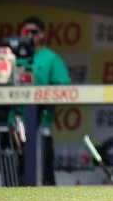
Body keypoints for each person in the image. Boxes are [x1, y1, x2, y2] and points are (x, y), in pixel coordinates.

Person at [13, 16, 71, 185]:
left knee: (45, 176)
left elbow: (63, 88)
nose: (29, 35)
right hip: (14, 125)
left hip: (40, 126)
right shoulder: (14, 58)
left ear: (42, 35)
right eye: (26, 32)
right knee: (19, 176)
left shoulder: (51, 58)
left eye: (34, 32)